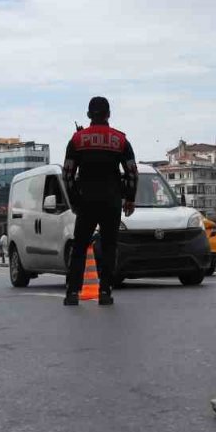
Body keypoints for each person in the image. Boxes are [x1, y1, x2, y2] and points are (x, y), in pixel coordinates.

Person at [61, 96, 138, 306]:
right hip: (112, 201)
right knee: (109, 245)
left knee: (80, 246)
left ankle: (72, 292)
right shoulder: (120, 140)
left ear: (88, 115)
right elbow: (132, 172)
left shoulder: (77, 140)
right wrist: (130, 198)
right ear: (109, 114)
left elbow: (67, 174)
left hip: (86, 200)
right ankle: (105, 290)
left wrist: (74, 200)